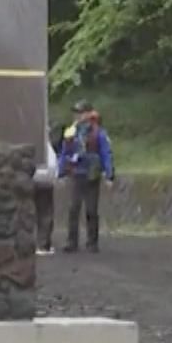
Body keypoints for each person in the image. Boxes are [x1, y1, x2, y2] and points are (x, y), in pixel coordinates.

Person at [58, 100, 114, 253]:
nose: (77, 115)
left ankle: (92, 242)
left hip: (91, 174)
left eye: (81, 112)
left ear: (89, 114)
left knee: (91, 210)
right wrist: (61, 171)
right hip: (76, 173)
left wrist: (109, 174)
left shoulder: (98, 132)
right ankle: (72, 241)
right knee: (73, 208)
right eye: (76, 112)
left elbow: (106, 153)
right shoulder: (71, 132)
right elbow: (65, 152)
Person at [34, 126, 59, 255]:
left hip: (35, 181)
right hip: (45, 183)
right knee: (45, 214)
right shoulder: (47, 149)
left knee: (36, 213)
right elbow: (53, 166)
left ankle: (39, 243)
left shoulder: (36, 146)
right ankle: (43, 245)